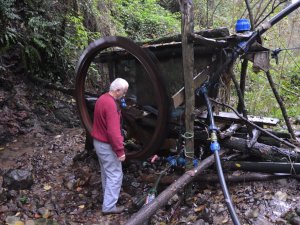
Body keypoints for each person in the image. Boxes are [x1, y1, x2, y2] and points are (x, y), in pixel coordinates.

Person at [91, 77, 129, 215]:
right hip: (106, 145)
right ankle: (109, 207)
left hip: (98, 142)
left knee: (106, 172)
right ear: (117, 90)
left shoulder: (102, 98)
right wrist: (120, 151)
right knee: (115, 174)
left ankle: (108, 199)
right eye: (123, 92)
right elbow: (113, 132)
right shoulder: (111, 105)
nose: (124, 95)